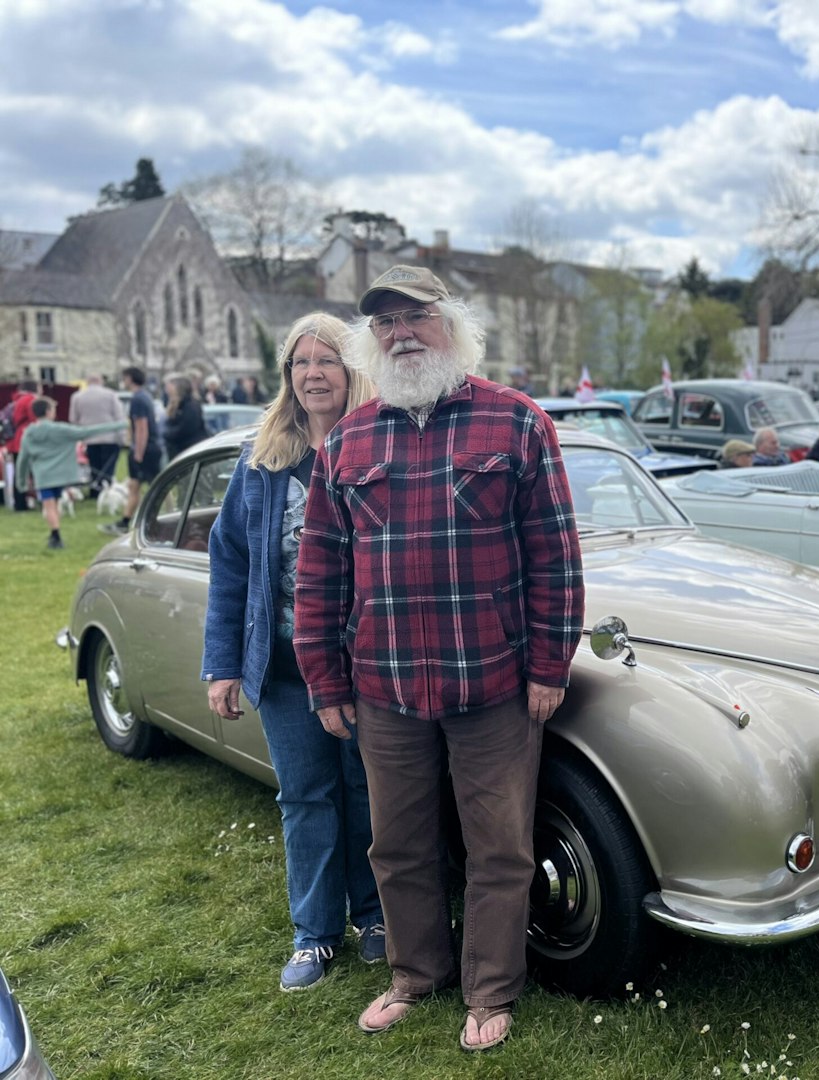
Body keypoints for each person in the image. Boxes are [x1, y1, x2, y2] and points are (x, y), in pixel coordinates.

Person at [293, 265, 584, 1052]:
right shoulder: (348, 441)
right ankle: (415, 975)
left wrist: (550, 666)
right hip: (383, 688)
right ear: (370, 341)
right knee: (398, 844)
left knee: (499, 847)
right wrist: (324, 675)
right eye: (385, 324)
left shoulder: (517, 423)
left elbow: (555, 558)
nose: (402, 333)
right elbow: (319, 567)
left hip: (492, 682)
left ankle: (491, 990)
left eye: (416, 316)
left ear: (452, 324)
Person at [203, 314, 383, 992]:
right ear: (287, 377)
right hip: (283, 669)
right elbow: (230, 563)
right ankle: (314, 934)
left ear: (350, 370)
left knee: (369, 793)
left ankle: (376, 918)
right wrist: (222, 662)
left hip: (366, 666)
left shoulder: (377, 442)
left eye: (327, 360)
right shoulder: (262, 460)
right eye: (300, 363)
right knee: (306, 795)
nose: (313, 373)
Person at [15, 396, 127, 549]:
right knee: (57, 503)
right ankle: (55, 534)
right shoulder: (61, 429)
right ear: (48, 411)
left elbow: (23, 459)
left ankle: (55, 534)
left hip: (43, 476)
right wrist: (120, 425)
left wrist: (21, 482)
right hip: (62, 476)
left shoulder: (29, 433)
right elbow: (87, 431)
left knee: (49, 505)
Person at [106, 367, 164, 534]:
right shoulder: (145, 396)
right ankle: (126, 520)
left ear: (130, 378)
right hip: (150, 447)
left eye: (124, 378)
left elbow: (141, 427)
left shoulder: (138, 399)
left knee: (155, 486)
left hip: (144, 449)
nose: (123, 381)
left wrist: (138, 452)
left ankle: (173, 516)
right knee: (137, 485)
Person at [69, 374, 126, 497]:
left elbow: (73, 419)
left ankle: (95, 490)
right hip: (110, 437)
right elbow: (119, 417)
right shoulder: (111, 394)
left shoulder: (77, 397)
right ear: (100, 381)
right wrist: (122, 438)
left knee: (94, 466)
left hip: (89, 438)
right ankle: (107, 489)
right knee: (108, 467)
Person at [4, 379, 39, 511]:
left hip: (14, 442)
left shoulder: (15, 401)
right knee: (30, 473)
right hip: (25, 441)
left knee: (19, 474)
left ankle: (20, 503)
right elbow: (34, 419)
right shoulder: (30, 400)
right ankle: (36, 500)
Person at [162, 374, 208, 460]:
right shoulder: (177, 405)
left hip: (189, 451)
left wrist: (167, 435)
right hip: (178, 451)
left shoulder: (190, 406)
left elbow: (185, 429)